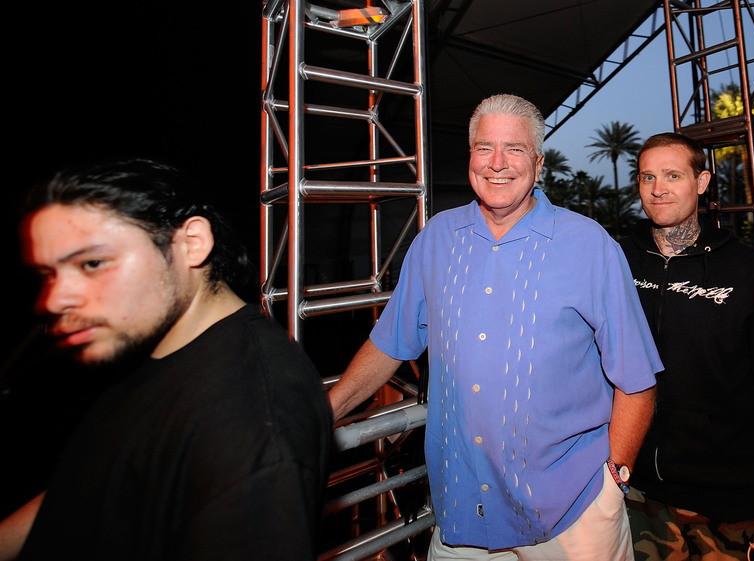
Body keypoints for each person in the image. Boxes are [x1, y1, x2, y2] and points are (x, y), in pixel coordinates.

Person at [327, 93, 663, 561]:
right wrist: (325, 412)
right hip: (463, 513)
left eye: (515, 149)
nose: (498, 163)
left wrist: (614, 482)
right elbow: (389, 344)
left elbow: (637, 380)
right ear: (470, 156)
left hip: (571, 516)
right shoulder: (436, 240)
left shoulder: (590, 245)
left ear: (539, 162)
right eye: (485, 148)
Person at [0, 159, 333, 561]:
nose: (53, 300)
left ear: (191, 243)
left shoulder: (247, 414)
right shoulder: (144, 343)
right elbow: (90, 484)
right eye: (47, 274)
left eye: (92, 263)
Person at [621, 133, 754, 561]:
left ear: (702, 181)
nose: (658, 188)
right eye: (647, 177)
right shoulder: (617, 263)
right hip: (637, 497)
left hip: (735, 502)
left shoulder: (747, 271)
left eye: (673, 175)